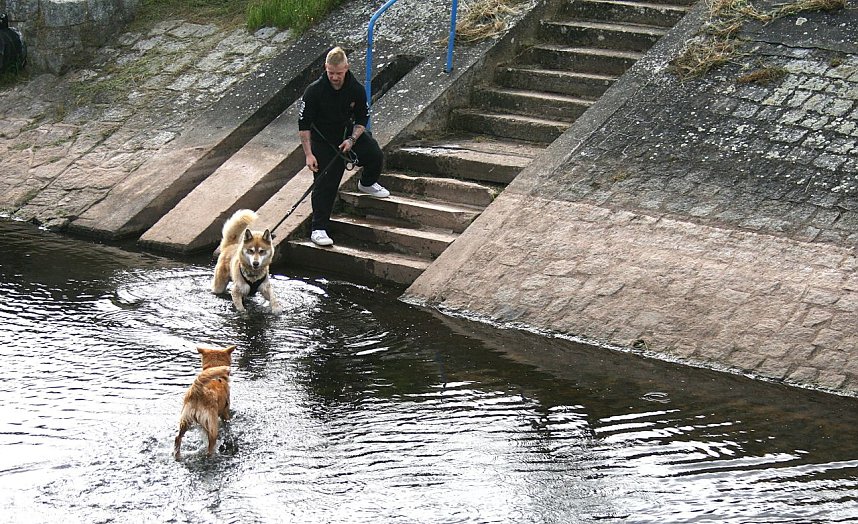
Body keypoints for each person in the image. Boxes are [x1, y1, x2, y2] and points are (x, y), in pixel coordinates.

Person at [298, 46, 389, 247]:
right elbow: (303, 126)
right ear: (326, 68)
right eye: (331, 72)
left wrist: (352, 140)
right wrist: (309, 154)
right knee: (325, 184)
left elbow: (363, 117)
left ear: (346, 68)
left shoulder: (355, 88)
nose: (335, 77)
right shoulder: (314, 91)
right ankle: (318, 228)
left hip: (346, 134)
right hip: (322, 140)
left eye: (338, 73)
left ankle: (367, 183)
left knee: (374, 153)